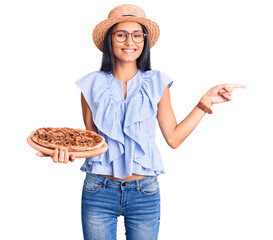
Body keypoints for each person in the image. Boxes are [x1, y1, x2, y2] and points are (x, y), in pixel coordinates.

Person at [36, 4, 246, 240]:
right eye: (121, 35)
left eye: (137, 35)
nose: (130, 42)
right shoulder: (91, 85)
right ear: (110, 39)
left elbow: (174, 139)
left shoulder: (157, 83)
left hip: (144, 192)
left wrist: (205, 102)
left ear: (144, 40)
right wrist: (60, 151)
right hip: (98, 191)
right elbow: (92, 143)